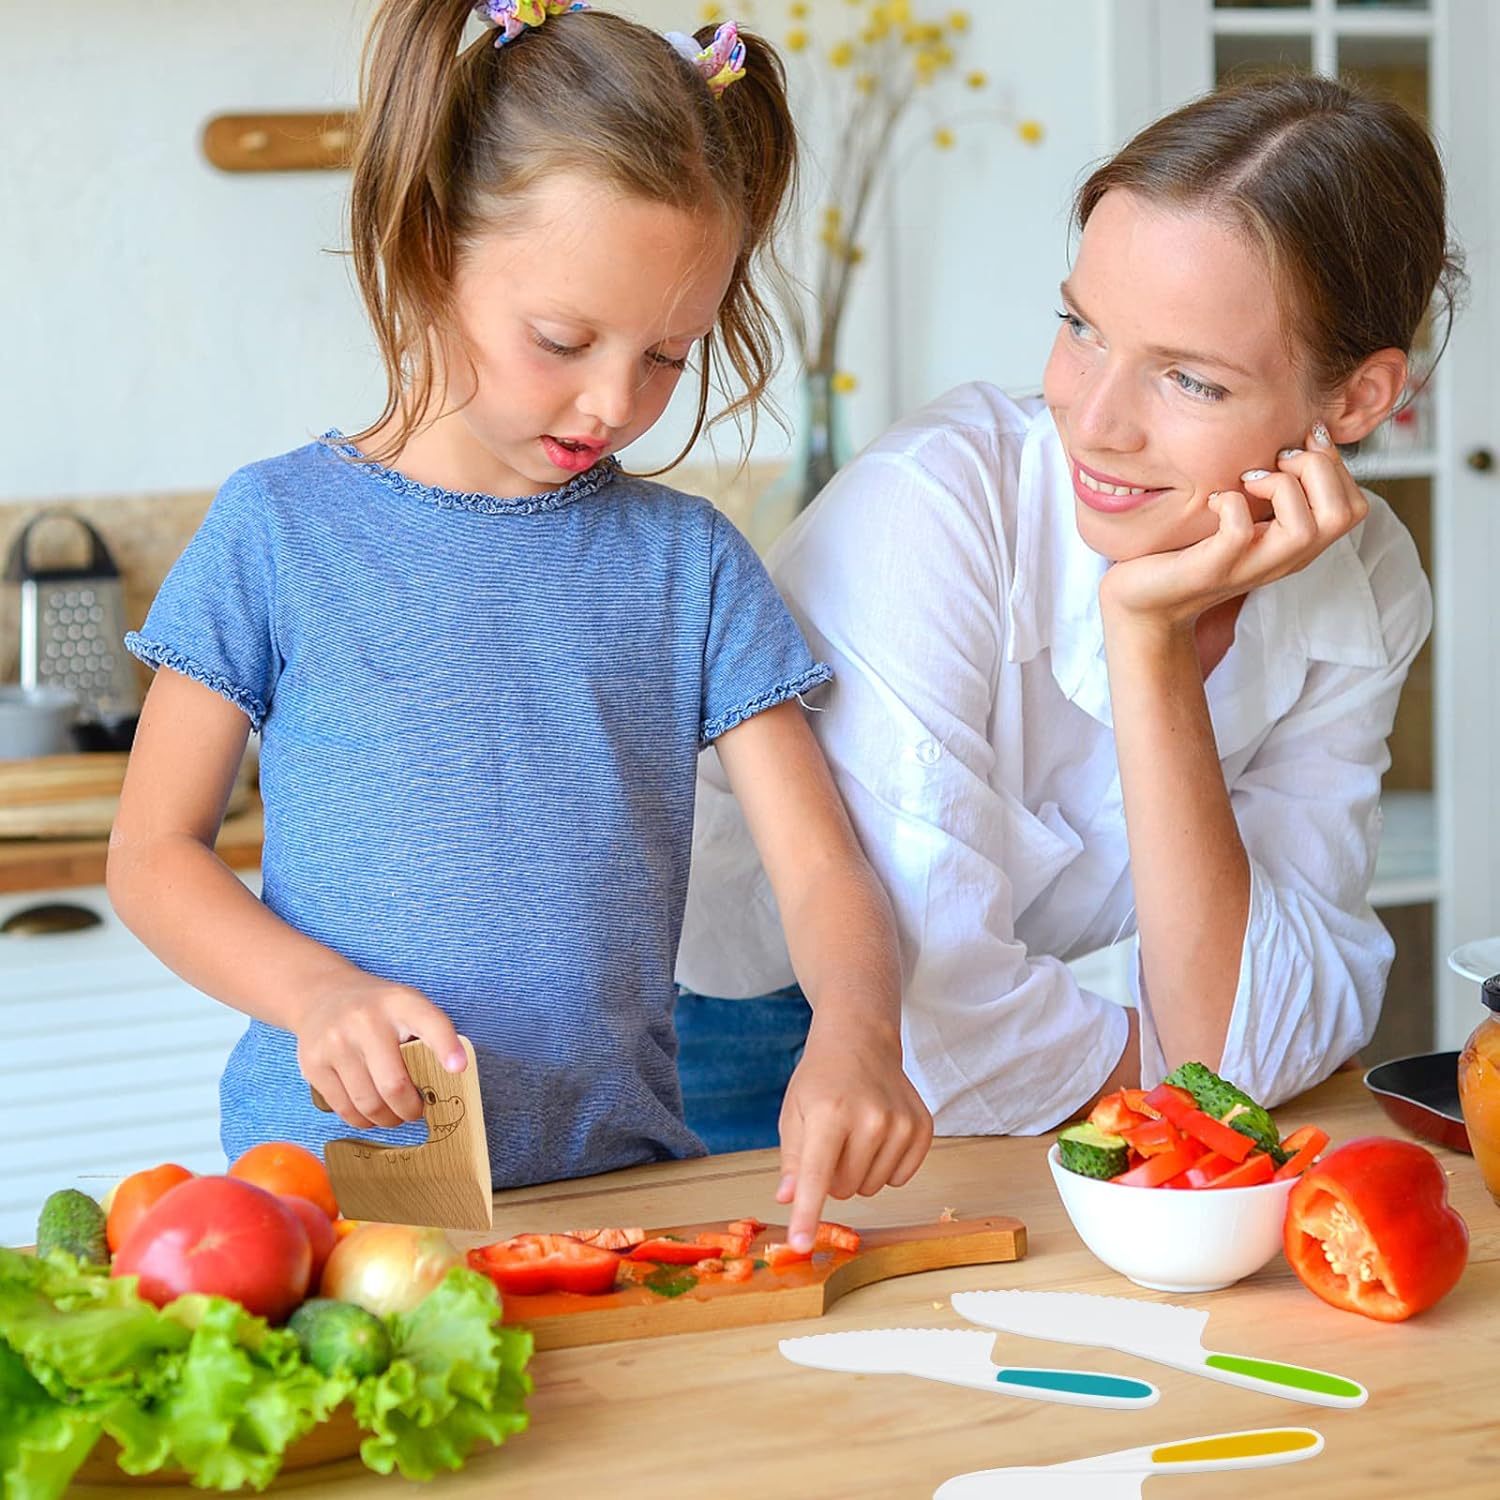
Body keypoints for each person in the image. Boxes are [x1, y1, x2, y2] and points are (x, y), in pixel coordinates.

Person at [107, 0, 930, 1252]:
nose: (615, 400)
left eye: (667, 354)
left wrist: (859, 1033)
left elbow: (822, 871)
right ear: (433, 242)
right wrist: (315, 995)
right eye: (563, 339)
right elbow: (153, 856)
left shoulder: (689, 563)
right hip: (326, 1201)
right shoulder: (278, 530)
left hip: (619, 1197)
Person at [679, 72, 1462, 1137]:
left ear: (1360, 398)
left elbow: (1250, 1037)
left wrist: (1148, 641)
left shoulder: (1364, 582)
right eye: (1082, 327)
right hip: (745, 1031)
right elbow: (943, 1023)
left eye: (1191, 380)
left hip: (1033, 1058)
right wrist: (1202, 1071)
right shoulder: (933, 516)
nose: (1093, 421)